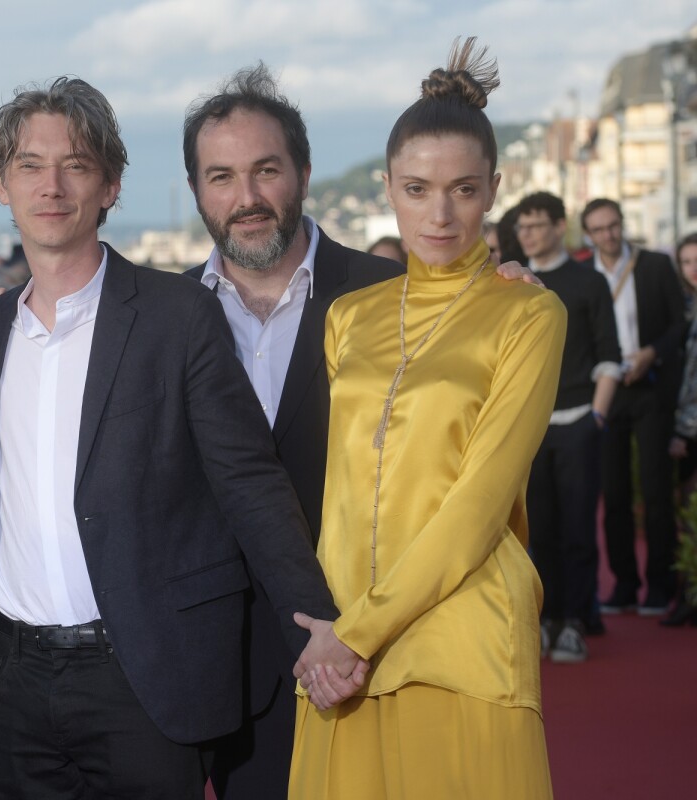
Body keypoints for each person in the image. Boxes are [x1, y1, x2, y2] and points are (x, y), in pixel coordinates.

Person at [0, 76, 350, 800]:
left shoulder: (178, 317)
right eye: (28, 166)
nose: (51, 186)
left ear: (109, 185)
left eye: (75, 165)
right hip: (14, 673)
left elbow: (248, 480)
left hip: (143, 671)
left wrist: (315, 621)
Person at [288, 39, 564, 799]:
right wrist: (337, 638)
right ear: (387, 188)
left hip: (461, 640)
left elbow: (478, 506)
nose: (440, 214)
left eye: (464, 190)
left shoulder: (529, 313)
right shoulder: (349, 316)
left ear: (495, 189)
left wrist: (354, 635)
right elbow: (340, 487)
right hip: (342, 658)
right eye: (416, 189)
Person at [179, 64, 400, 798]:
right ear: (197, 191)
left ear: (303, 172)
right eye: (221, 176)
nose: (245, 198)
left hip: (373, 650)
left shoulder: (389, 296)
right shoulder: (157, 318)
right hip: (225, 671)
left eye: (265, 170)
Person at [516, 191, 621, 662]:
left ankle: (575, 621)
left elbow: (608, 356)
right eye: (523, 226)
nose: (529, 234)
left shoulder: (588, 282)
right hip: (530, 429)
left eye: (538, 225)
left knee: (579, 527)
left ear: (560, 227)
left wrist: (596, 418)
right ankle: (545, 616)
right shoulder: (513, 282)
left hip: (579, 419)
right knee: (536, 531)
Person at [580, 197, 686, 615]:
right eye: (600, 229)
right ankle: (624, 584)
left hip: (651, 387)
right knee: (615, 492)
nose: (609, 234)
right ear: (588, 235)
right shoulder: (585, 276)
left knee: (658, 491)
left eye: (614, 225)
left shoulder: (654, 266)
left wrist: (650, 354)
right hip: (607, 390)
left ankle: (660, 586)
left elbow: (680, 322)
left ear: (622, 224)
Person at [665, 231, 697, 627]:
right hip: (687, 429)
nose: (694, 269)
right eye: (687, 262)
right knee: (688, 514)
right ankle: (689, 593)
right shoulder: (683, 310)